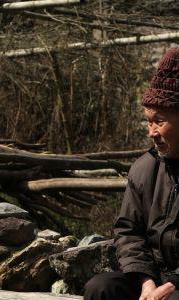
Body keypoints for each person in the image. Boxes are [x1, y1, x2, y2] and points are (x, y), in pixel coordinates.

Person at [84, 47, 179, 300]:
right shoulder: (144, 169)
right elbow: (128, 232)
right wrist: (146, 282)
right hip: (153, 276)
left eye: (159, 121)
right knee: (101, 288)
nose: (151, 132)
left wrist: (172, 285)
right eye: (148, 121)